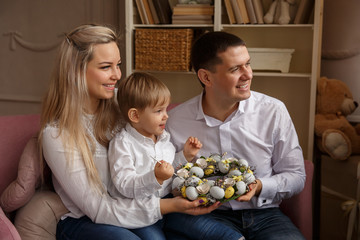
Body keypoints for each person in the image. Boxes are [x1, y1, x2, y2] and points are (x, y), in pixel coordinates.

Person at [38, 24, 221, 240]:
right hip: (85, 219)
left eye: (119, 65)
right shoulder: (56, 134)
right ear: (76, 70)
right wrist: (169, 206)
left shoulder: (123, 104)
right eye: (106, 67)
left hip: (134, 205)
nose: (117, 75)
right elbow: (98, 209)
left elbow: (158, 140)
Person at [165, 31, 307, 240]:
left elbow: (296, 176)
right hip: (206, 217)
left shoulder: (273, 111)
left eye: (247, 64)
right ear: (206, 77)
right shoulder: (175, 121)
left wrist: (259, 186)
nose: (248, 74)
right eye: (235, 69)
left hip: (265, 215)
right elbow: (166, 180)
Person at [108, 72, 244, 240]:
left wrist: (184, 156)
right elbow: (124, 184)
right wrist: (155, 177)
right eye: (158, 111)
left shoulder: (163, 137)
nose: (166, 115)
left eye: (166, 109)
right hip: (139, 214)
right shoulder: (122, 144)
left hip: (169, 204)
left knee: (206, 227)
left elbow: (170, 169)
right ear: (135, 115)